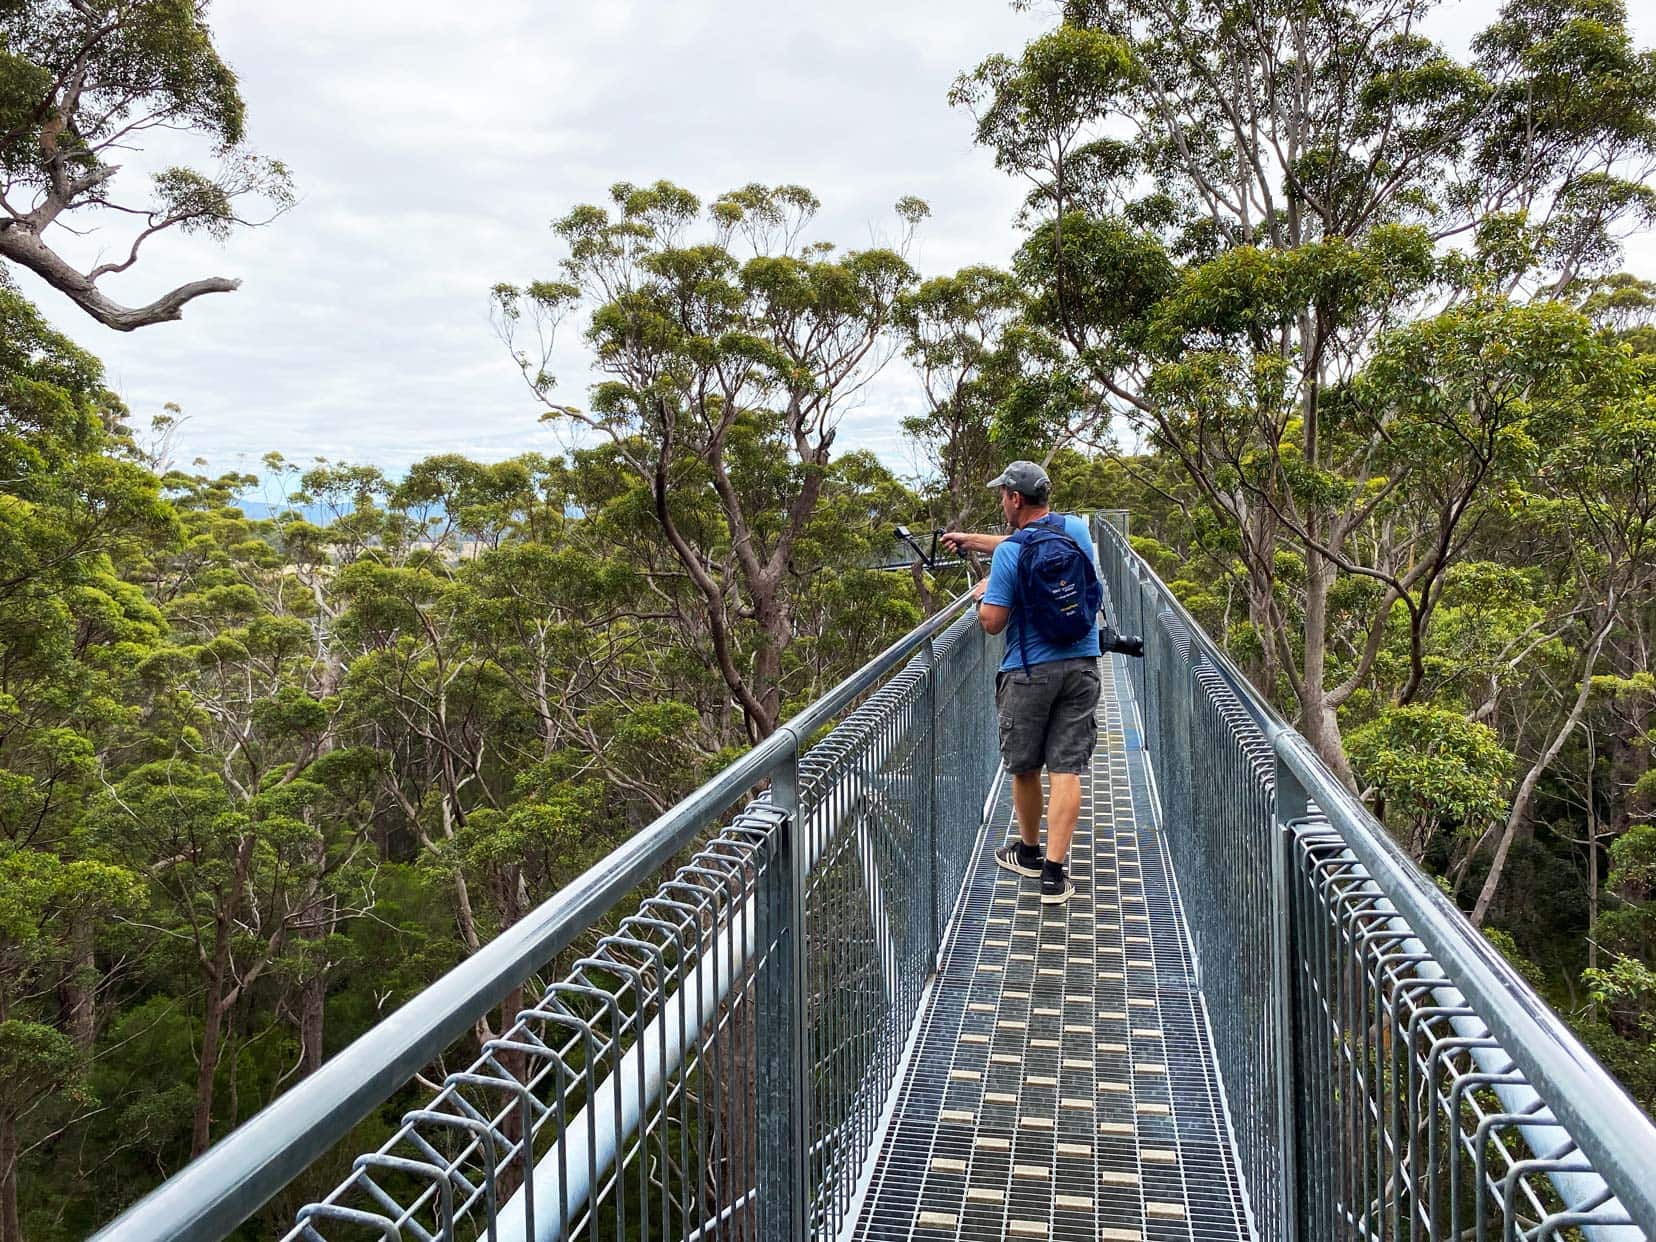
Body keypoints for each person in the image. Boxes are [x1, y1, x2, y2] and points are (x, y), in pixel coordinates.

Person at [942, 461, 1101, 905]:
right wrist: (973, 541)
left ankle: (1028, 852)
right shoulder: (1077, 532)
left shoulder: (1011, 554)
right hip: (1083, 663)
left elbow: (993, 623)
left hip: (1029, 671)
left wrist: (983, 596)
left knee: (1025, 767)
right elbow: (1028, 543)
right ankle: (1054, 874)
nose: (1001, 501)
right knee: (1067, 769)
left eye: (1003, 495)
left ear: (1015, 498)